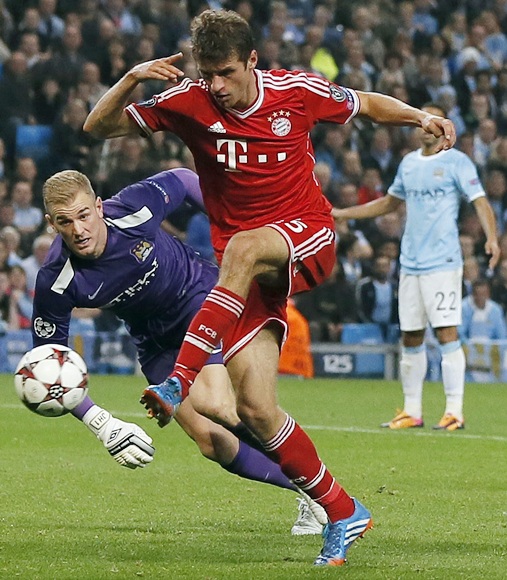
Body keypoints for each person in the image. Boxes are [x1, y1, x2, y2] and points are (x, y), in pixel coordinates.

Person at [83, 9, 456, 566]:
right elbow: (98, 127)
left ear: (252, 61)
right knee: (256, 408)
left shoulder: (295, 91)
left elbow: (367, 103)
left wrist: (419, 116)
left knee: (240, 247)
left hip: (308, 234)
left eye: (227, 73)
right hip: (252, 276)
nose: (217, 86)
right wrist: (133, 78)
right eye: (208, 74)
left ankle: (177, 381)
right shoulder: (189, 101)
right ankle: (343, 509)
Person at [34, 167, 327, 534]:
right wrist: (102, 424)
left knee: (214, 403)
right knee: (212, 442)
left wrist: (235, 231)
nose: (79, 230)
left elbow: (187, 179)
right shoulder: (57, 279)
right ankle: (310, 491)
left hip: (198, 299)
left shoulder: (133, 207)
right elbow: (48, 363)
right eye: (65, 222)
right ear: (51, 223)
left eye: (83, 215)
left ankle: (322, 491)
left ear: (98, 206)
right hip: (153, 340)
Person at [333, 104, 499, 433]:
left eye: (431, 121)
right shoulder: (408, 164)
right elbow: (390, 203)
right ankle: (412, 410)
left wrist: (492, 238)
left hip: (443, 262)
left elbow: (480, 200)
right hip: (410, 263)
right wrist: (345, 213)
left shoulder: (456, 161)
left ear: (443, 128)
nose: (424, 127)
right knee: (410, 335)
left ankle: (454, 410)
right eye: (421, 121)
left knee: (447, 333)